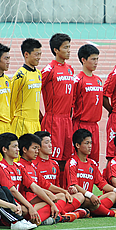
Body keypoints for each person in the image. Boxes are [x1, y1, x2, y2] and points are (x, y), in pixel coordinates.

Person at [17, 133, 82, 224]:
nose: (37, 151)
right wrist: (49, 195)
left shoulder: (32, 166)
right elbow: (33, 187)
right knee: (58, 198)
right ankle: (51, 218)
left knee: (76, 196)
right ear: (24, 149)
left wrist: (65, 191)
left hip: (38, 200)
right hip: (26, 203)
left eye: (37, 148)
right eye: (34, 148)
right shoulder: (21, 166)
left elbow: (47, 185)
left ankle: (52, 216)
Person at [67, 129, 116, 217]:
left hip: (90, 198)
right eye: (86, 143)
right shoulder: (72, 162)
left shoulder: (92, 163)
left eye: (90, 143)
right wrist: (90, 195)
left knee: (113, 194)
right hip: (79, 197)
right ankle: (112, 213)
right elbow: (74, 185)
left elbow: (102, 183)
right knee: (82, 197)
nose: (90, 146)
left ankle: (86, 212)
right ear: (77, 145)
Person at [41, 33, 76, 167]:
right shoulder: (49, 69)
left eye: (69, 47)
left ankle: (63, 187)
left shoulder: (70, 69)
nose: (69, 50)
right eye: (65, 47)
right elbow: (35, 90)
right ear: (56, 50)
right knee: (52, 159)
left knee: (66, 159)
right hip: (53, 120)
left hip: (67, 120)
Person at [0, 132, 42, 224]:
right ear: (4, 149)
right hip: (11, 206)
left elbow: (34, 186)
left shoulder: (18, 166)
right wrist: (30, 207)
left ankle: (40, 219)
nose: (17, 149)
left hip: (21, 204)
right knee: (26, 210)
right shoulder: (1, 168)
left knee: (52, 199)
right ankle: (39, 219)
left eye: (18, 146)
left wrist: (52, 201)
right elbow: (12, 191)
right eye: (14, 146)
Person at [72, 44, 104, 163]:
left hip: (94, 126)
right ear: (83, 60)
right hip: (81, 124)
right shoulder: (78, 80)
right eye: (93, 59)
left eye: (97, 59)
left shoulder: (98, 80)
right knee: (80, 159)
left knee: (94, 160)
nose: (96, 62)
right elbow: (71, 104)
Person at [11, 38, 43, 137]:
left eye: (40, 54)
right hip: (22, 123)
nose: (39, 57)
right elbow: (11, 99)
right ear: (26, 54)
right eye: (36, 54)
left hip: (35, 122)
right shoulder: (20, 75)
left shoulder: (38, 74)